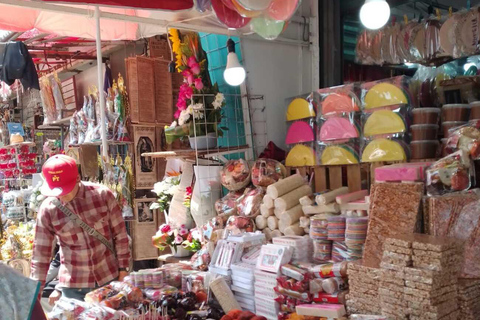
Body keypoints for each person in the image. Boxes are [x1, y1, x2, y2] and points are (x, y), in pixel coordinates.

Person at [31, 154, 131, 302]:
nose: (62, 195)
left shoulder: (102, 195)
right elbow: (40, 256)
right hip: (74, 287)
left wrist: (123, 271)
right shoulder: (48, 209)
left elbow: (121, 236)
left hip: (109, 278)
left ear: (77, 178)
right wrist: (34, 298)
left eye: (65, 189)